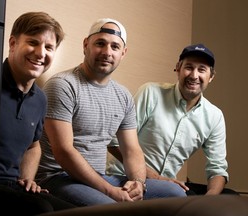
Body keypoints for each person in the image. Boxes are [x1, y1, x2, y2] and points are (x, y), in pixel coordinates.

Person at [35, 18, 186, 207]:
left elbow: (131, 150)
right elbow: (64, 151)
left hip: (100, 178)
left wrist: (138, 182)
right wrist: (110, 191)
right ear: (86, 45)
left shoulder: (123, 96)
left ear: (123, 53)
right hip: (59, 178)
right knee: (115, 208)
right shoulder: (62, 85)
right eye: (100, 43)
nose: (107, 52)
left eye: (115, 47)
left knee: (175, 193)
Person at [107, 43, 238, 195]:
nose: (194, 75)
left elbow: (217, 168)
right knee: (175, 194)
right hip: (126, 178)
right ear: (178, 69)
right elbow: (115, 144)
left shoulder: (215, 116)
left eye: (201, 69)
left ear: (211, 77)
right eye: (189, 67)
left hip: (166, 186)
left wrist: (209, 200)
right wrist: (157, 178)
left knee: (229, 196)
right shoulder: (151, 93)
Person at [0, 12, 75, 216]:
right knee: (40, 209)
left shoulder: (40, 98)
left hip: (13, 186)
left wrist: (28, 180)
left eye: (49, 47)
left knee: (77, 212)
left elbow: (33, 146)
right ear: (13, 43)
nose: (41, 53)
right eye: (33, 42)